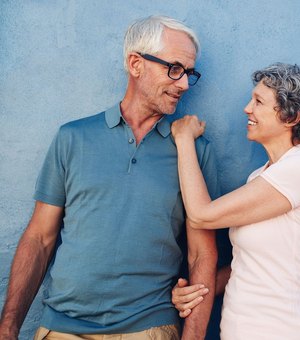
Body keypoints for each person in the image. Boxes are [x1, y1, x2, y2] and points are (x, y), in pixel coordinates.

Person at [0, 15, 220, 340]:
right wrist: (8, 327)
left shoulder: (194, 151)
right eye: (174, 69)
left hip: (150, 328)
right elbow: (39, 238)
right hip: (61, 327)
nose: (184, 83)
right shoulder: (73, 138)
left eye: (189, 73)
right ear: (135, 64)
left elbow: (202, 253)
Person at [171, 63, 300, 340]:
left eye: (258, 101)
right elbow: (249, 263)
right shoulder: (261, 177)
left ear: (291, 117)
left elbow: (201, 215)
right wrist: (199, 291)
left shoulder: (296, 169)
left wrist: (183, 140)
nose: (247, 108)